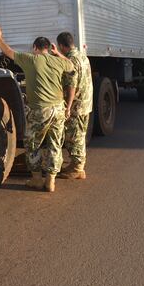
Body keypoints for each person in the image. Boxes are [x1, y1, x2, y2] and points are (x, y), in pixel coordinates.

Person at [0, 23, 75, 192]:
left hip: (40, 110)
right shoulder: (58, 61)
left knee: (32, 143)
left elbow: (8, 52)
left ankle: (37, 179)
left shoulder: (31, 60)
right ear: (48, 48)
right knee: (55, 144)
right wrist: (58, 53)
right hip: (58, 109)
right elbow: (71, 66)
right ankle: (51, 180)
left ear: (35, 48)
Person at [52, 32, 93, 180]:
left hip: (76, 105)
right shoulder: (82, 56)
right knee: (79, 135)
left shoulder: (71, 60)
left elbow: (71, 86)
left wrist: (68, 107)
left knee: (74, 137)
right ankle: (76, 165)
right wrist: (58, 55)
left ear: (61, 45)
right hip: (85, 102)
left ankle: (77, 168)